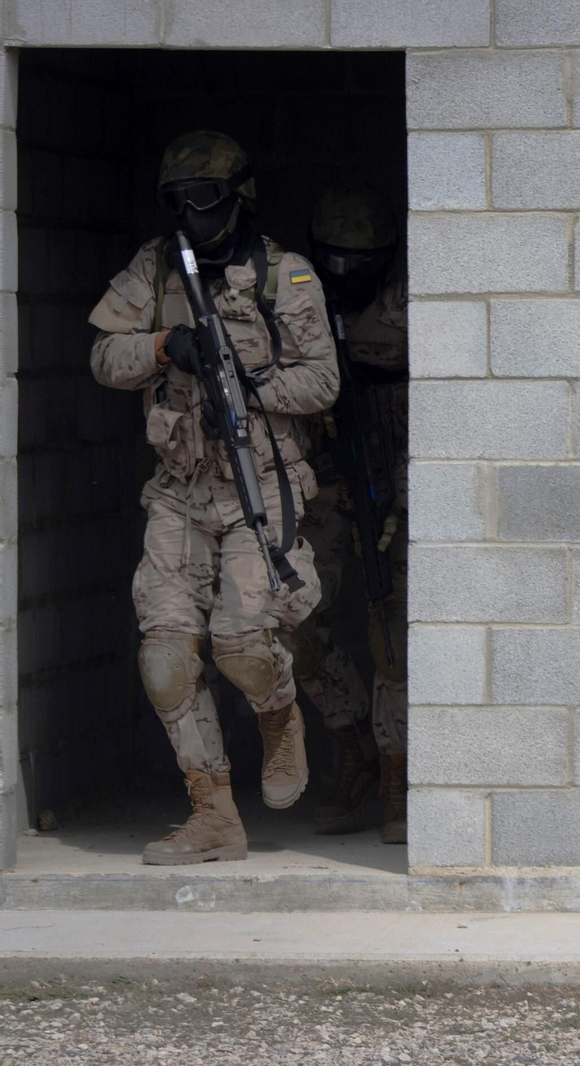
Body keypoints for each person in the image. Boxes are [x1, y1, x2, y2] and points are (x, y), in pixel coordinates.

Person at [88, 130, 339, 864]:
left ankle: (279, 717)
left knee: (240, 644)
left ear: (236, 199)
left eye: (203, 201)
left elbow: (322, 380)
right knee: (165, 655)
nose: (191, 216)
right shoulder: (157, 267)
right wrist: (168, 347)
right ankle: (213, 812)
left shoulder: (283, 276)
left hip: (259, 484)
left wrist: (247, 382)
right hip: (178, 491)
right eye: (177, 202)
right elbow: (104, 353)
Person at [304, 184, 409, 844]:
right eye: (334, 260)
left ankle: (396, 773)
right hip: (319, 480)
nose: (346, 274)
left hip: (390, 481)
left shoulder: (407, 306)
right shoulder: (292, 298)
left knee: (390, 629)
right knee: (286, 625)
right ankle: (355, 748)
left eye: (361, 261)